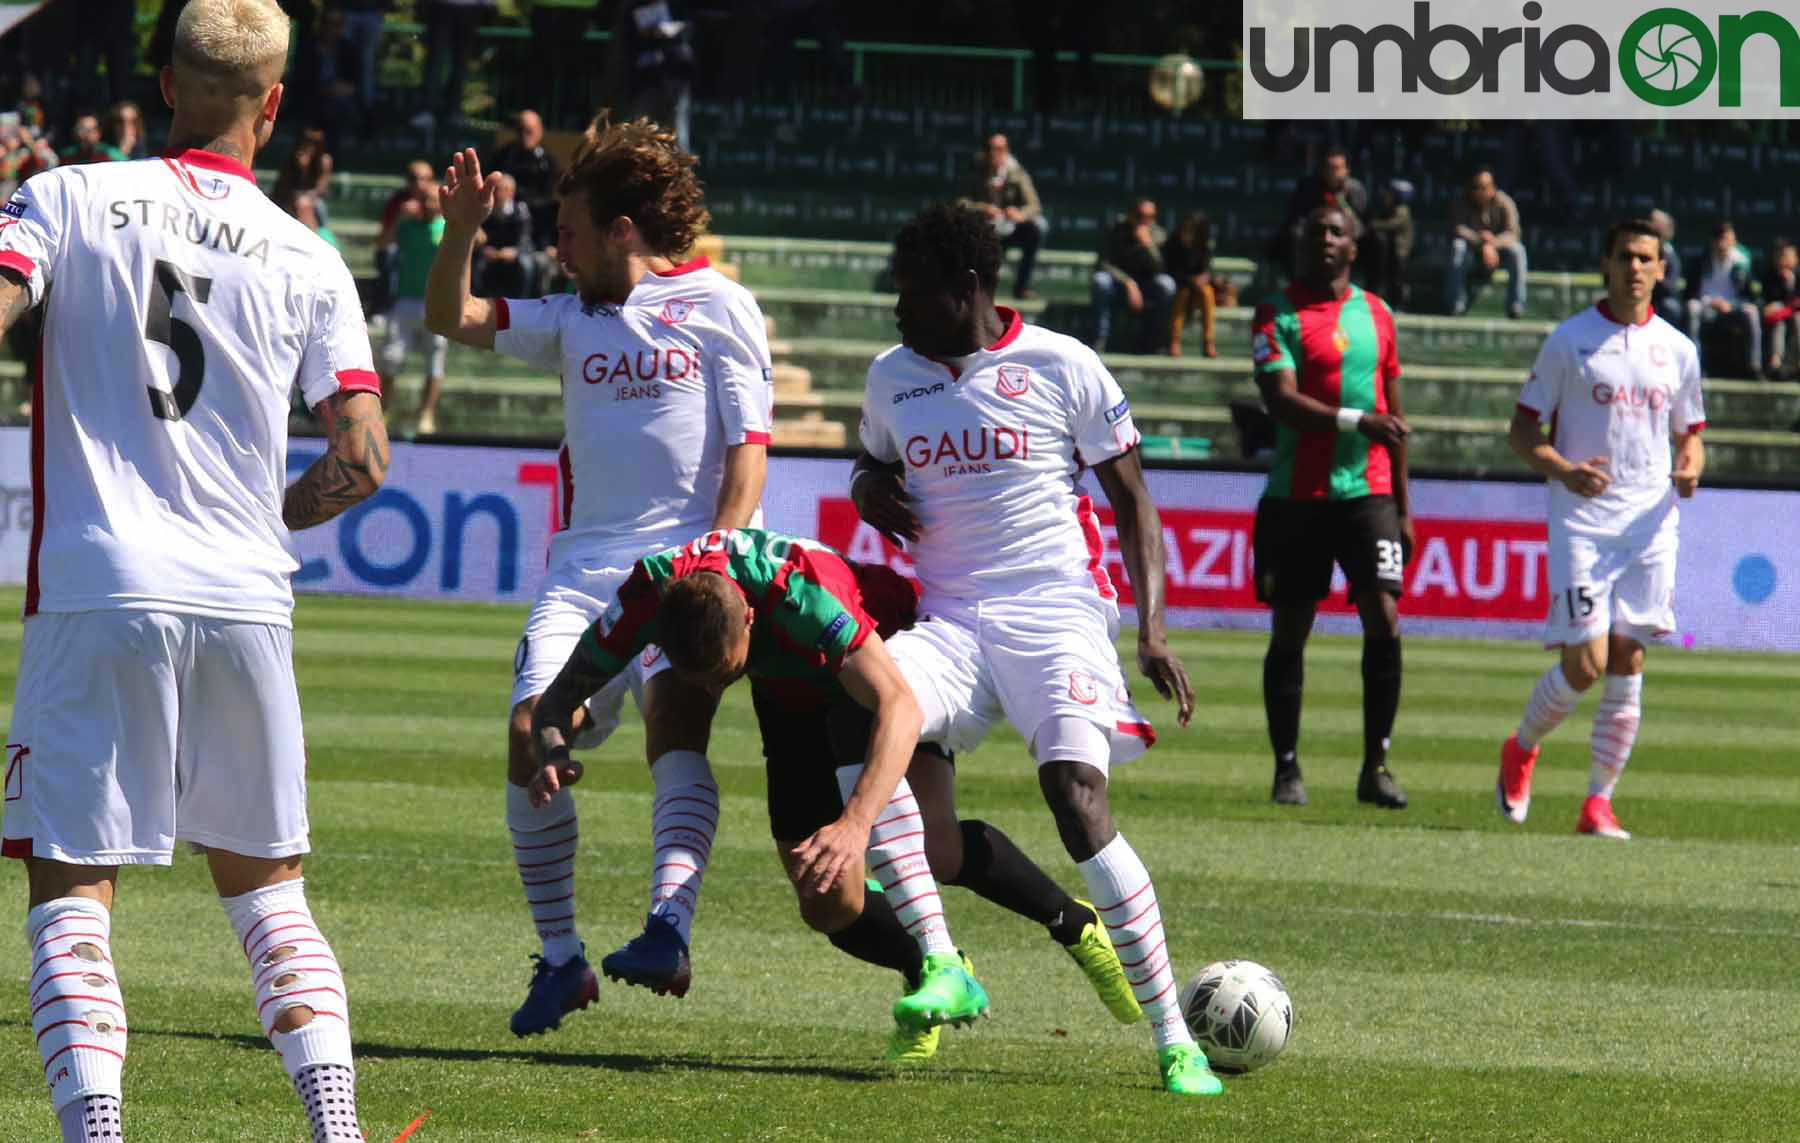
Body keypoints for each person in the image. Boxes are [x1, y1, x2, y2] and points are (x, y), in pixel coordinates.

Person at [0, 0, 388, 1139]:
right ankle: (336, 1127)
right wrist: (276, 513)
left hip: (101, 584)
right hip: (245, 595)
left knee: (72, 900)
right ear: (275, 103)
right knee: (272, 899)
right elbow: (363, 456)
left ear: (166, 85)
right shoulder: (310, 255)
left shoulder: (68, 194)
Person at [847, 203, 1220, 1097]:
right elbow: (871, 464)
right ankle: (942, 963)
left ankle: (1176, 1040)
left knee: (1075, 795)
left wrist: (1152, 630)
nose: (898, 309)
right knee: (868, 714)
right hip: (950, 620)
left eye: (912, 292)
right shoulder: (891, 375)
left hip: (1056, 612)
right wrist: (866, 490)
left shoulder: (1063, 363)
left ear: (967, 288)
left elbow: (1133, 500)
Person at [423, 118, 773, 1038]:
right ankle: (562, 958)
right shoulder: (568, 318)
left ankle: (667, 929)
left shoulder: (720, 306)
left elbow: (748, 453)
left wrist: (715, 564)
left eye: (570, 231)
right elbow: (450, 316)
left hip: (686, 570)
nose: (558, 248)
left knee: (675, 726)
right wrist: (460, 231)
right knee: (526, 735)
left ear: (621, 231)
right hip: (583, 578)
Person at [529, 528, 992, 1058]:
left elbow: (900, 705)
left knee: (870, 793)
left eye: (723, 674)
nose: (710, 690)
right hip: (787, 688)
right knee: (826, 903)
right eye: (699, 678)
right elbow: (553, 704)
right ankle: (923, 962)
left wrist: (854, 823)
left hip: (873, 653)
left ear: (749, 617)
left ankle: (943, 961)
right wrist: (553, 751)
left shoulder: (803, 596)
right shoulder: (644, 599)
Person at [1497, 218, 1706, 840]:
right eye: (1625, 257)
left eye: (1646, 258)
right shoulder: (1569, 341)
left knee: (1628, 659)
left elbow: (1691, 435)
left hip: (1651, 524)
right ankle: (1522, 746)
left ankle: (1598, 803)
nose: (1635, 268)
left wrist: (1690, 468)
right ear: (1606, 264)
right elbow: (1521, 434)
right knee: (1585, 664)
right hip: (1584, 522)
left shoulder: (1679, 349)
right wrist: (1565, 471)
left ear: (1661, 269)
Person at [1249, 203, 1413, 811]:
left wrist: (1404, 506)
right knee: (1292, 627)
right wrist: (1355, 421)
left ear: (1354, 246)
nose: (1324, 238)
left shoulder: (1378, 313)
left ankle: (1376, 767)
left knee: (1384, 616)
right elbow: (1279, 400)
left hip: (1368, 492)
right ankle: (1286, 767)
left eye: (1336, 231)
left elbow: (1394, 416)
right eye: (1315, 229)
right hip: (1297, 497)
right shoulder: (1276, 314)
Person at [378, 183, 448, 433]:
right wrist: (398, 218)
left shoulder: (449, 227)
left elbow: (477, 240)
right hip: (405, 301)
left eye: (433, 199)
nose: (428, 204)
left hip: (436, 304)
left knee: (434, 361)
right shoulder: (407, 226)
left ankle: (426, 415)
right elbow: (383, 243)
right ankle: (383, 411)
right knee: (391, 358)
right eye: (425, 199)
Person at [957, 133, 1045, 301]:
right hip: (983, 230)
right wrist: (982, 208)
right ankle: (972, 289)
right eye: (990, 149)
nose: (994, 153)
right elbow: (961, 202)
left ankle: (1022, 287)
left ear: (1006, 151)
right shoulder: (975, 170)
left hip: (1009, 227)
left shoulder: (1016, 172)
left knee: (1037, 228)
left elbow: (1034, 206)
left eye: (999, 149)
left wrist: (1019, 214)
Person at [1090, 197, 1175, 355]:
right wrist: (1128, 282)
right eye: (1139, 216)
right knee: (1100, 281)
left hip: (1147, 285)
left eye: (1150, 217)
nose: (1144, 221)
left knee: (1166, 284)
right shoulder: (1115, 231)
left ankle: (1157, 341)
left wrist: (1148, 246)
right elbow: (1103, 264)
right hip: (1118, 284)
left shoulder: (1159, 235)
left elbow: (1161, 268)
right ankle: (1100, 338)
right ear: (1130, 215)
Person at [1446, 168, 1527, 319]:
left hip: (1498, 254)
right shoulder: (1461, 201)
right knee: (1458, 247)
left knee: (1518, 250)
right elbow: (1457, 228)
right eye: (1475, 188)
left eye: (1484, 188)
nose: (1479, 192)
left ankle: (1516, 305)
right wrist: (1481, 241)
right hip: (1471, 253)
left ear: (1492, 187)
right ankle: (1456, 304)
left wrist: (1492, 244)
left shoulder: (1505, 202)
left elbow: (1513, 233)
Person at [1683, 221, 1760, 379]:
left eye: (1730, 240)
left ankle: (1754, 365)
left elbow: (1750, 295)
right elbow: (1690, 293)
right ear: (1714, 241)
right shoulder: (1701, 260)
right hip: (1706, 305)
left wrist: (1732, 304)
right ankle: (1694, 364)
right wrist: (1710, 301)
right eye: (1723, 240)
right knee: (1692, 308)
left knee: (1752, 312)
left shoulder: (1742, 262)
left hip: (1733, 306)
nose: (1725, 245)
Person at [1276, 145, 1366, 280]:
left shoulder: (1355, 189)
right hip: (1315, 231)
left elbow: (1359, 223)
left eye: (1336, 168)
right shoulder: (1309, 187)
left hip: (1345, 233)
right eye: (1328, 168)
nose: (1331, 172)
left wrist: (1341, 199)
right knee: (1297, 234)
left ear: (1346, 170)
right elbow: (1299, 217)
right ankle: (1300, 281)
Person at [488, 109, 563, 246]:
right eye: (520, 130)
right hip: (505, 215)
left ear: (540, 132)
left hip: (537, 214)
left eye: (529, 131)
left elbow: (550, 191)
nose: (524, 135)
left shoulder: (547, 161)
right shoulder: (504, 156)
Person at [527, 0, 596, 128]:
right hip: (552, 11)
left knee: (570, 74)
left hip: (573, 11)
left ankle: (566, 120)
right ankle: (539, 120)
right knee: (553, 73)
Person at [475, 172, 541, 298]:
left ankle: (524, 300)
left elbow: (525, 238)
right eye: (496, 190)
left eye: (503, 190)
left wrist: (515, 251)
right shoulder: (485, 211)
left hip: (515, 253)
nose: (498, 194)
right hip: (492, 253)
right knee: (478, 264)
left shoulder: (520, 211)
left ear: (512, 192)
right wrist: (485, 249)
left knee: (526, 264)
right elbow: (480, 237)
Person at [1161, 210, 1216, 357]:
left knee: (1208, 292)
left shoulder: (1205, 246)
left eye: (1192, 231)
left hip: (1198, 289)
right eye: (1185, 230)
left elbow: (1207, 270)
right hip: (1179, 287)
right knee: (1183, 294)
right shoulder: (1172, 244)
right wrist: (1190, 279)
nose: (1187, 234)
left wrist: (1203, 278)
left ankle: (1208, 341)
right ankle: (1174, 340)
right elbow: (1169, 270)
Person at [1363, 179, 1413, 311]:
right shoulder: (1388, 209)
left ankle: (1399, 305)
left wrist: (1374, 225)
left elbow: (1393, 224)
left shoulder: (1402, 210)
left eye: (1390, 194)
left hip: (1400, 251)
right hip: (1390, 251)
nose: (1386, 196)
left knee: (1398, 279)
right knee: (1386, 278)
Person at [1759, 239, 1799, 380]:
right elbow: (1765, 300)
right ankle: (1775, 365)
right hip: (1776, 318)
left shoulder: (1798, 276)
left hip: (1795, 315)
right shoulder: (1768, 276)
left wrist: (1790, 283)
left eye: (1788, 256)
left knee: (1798, 319)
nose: (1785, 260)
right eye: (1781, 256)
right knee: (1779, 324)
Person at [1648, 209, 1683, 329]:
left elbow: (1670, 288)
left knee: (1670, 306)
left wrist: (1656, 276)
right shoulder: (1640, 249)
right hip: (1642, 297)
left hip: (1661, 300)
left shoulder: (1670, 256)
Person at [57, 113, 126, 164]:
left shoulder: (111, 155)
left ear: (98, 133)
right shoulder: (66, 157)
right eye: (80, 129)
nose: (83, 134)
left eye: (89, 130)